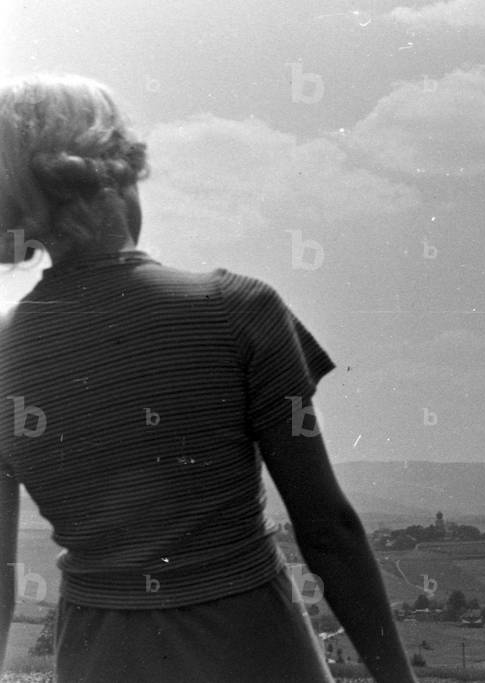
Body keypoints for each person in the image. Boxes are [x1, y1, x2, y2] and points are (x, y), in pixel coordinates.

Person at [0, 73, 418, 683]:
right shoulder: (239, 308)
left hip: (99, 658)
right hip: (255, 647)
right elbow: (328, 529)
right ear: (118, 171)